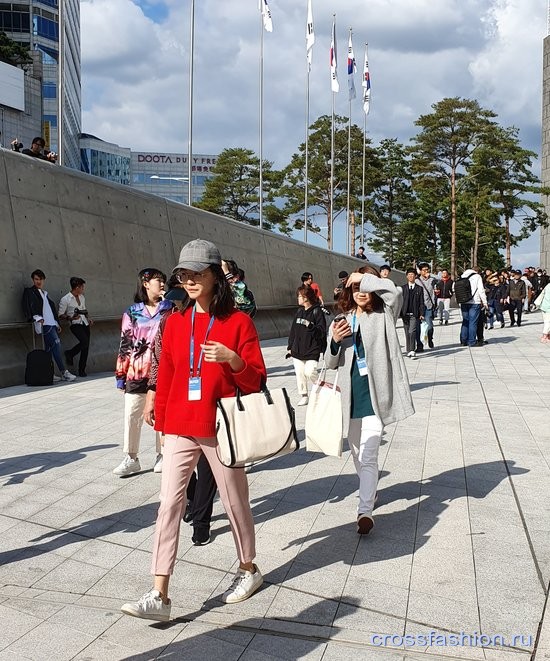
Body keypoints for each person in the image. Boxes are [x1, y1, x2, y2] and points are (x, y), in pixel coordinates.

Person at [121, 239, 266, 621]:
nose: (188, 280)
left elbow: (255, 381)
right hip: (181, 427)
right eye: (183, 274)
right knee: (169, 504)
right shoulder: (176, 322)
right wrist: (161, 415)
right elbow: (166, 373)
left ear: (216, 276)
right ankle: (159, 592)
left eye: (197, 273)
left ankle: (248, 568)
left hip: (222, 427)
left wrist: (234, 359)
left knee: (235, 504)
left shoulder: (238, 323)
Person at [326, 265, 414, 535]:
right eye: (355, 289)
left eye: (365, 288)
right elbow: (330, 363)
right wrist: (334, 341)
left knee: (369, 453)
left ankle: (364, 511)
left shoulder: (385, 313)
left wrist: (363, 278)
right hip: (351, 396)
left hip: (377, 395)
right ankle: (371, 489)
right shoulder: (342, 319)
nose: (361, 292)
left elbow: (394, 291)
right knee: (356, 453)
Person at [113, 268, 172, 477]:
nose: (162, 283)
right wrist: (121, 375)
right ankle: (131, 457)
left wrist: (170, 303)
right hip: (136, 371)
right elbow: (125, 342)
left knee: (161, 413)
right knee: (132, 414)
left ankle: (163, 453)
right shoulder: (133, 311)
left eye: (164, 281)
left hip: (163, 371)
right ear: (145, 283)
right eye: (158, 280)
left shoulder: (170, 309)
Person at [21, 270, 76, 382]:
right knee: (56, 344)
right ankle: (63, 372)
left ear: (43, 280)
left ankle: (48, 373)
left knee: (48, 350)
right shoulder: (30, 292)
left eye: (40, 279)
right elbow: (26, 306)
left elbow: (50, 310)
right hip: (44, 324)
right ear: (33, 280)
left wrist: (56, 323)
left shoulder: (45, 294)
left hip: (51, 324)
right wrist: (35, 318)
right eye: (36, 279)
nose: (38, 281)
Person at [286, 285, 327, 406]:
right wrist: (290, 347)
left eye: (299, 296)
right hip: (297, 349)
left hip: (311, 349)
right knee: (300, 374)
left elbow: (321, 331)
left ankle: (320, 390)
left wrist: (311, 326)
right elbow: (293, 330)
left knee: (310, 372)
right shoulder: (299, 311)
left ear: (306, 298)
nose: (298, 298)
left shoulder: (317, 311)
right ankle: (304, 395)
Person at [58, 277, 93, 377]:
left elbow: (84, 310)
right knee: (84, 342)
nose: (83, 289)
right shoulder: (65, 299)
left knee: (86, 346)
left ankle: (82, 370)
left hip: (85, 323)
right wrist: (70, 317)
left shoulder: (82, 297)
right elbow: (60, 315)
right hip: (75, 324)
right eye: (82, 287)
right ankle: (70, 353)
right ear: (77, 287)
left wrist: (88, 318)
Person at [458, 267, 487, 347]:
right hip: (474, 302)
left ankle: (463, 340)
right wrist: (485, 302)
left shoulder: (462, 276)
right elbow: (481, 290)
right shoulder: (477, 277)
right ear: (477, 271)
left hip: (463, 301)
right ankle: (472, 341)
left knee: (465, 321)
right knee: (473, 322)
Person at [400, 268, 425, 359]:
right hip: (404, 314)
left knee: (412, 331)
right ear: (407, 276)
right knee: (407, 333)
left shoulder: (419, 289)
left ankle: (412, 350)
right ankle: (408, 350)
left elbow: (421, 302)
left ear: (415, 276)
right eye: (409, 274)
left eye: (412, 275)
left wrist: (422, 313)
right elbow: (400, 301)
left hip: (414, 314)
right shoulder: (402, 288)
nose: (411, 276)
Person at [415, 263, 438, 350]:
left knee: (430, 326)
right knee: (418, 327)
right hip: (419, 306)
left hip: (428, 305)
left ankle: (430, 338)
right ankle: (419, 345)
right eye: (424, 270)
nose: (426, 271)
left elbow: (440, 278)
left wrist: (430, 274)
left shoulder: (432, 279)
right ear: (420, 271)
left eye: (427, 269)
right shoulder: (417, 280)